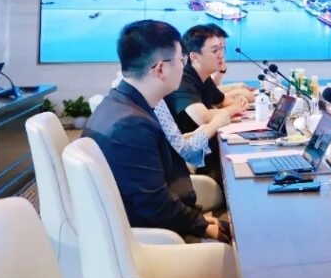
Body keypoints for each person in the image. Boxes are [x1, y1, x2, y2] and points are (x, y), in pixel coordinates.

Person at [83, 20, 226, 242]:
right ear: (160, 69)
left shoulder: (119, 104)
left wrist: (198, 220)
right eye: (181, 60)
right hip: (156, 239)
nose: (184, 67)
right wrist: (201, 225)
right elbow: (155, 205)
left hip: (164, 218)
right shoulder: (131, 126)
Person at [165, 25, 245, 184]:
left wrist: (227, 109)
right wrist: (232, 109)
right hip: (191, 164)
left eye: (222, 48)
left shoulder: (204, 77)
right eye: (215, 51)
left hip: (205, 152)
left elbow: (224, 102)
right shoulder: (184, 79)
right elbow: (204, 118)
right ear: (194, 57)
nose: (221, 55)